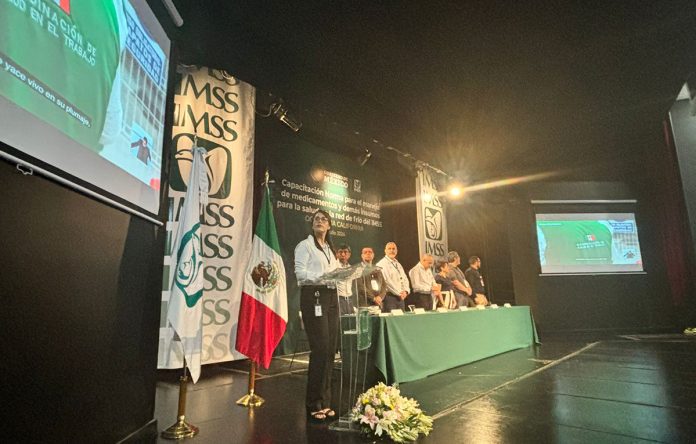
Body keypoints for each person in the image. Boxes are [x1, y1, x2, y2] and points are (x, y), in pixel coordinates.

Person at [294, 210, 339, 422]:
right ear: (312, 225)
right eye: (316, 219)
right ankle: (313, 402)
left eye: (323, 219)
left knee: (330, 350)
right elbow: (300, 274)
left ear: (329, 225)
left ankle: (325, 400)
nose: (319, 221)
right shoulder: (305, 246)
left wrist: (340, 276)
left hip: (331, 298)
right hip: (314, 297)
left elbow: (335, 275)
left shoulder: (330, 249)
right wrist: (323, 277)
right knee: (320, 349)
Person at [376, 242, 410, 312]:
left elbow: (405, 278)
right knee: (391, 318)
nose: (392, 250)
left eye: (394, 249)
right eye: (389, 249)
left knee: (401, 318)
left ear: (396, 251)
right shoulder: (381, 264)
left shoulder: (398, 264)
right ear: (385, 251)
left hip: (400, 298)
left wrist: (406, 291)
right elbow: (386, 282)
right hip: (389, 298)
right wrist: (399, 293)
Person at [335, 244, 355, 316]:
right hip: (338, 299)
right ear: (337, 254)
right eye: (340, 252)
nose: (343, 254)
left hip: (349, 299)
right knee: (340, 321)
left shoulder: (351, 268)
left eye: (345, 252)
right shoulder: (334, 266)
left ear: (349, 254)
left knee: (351, 321)